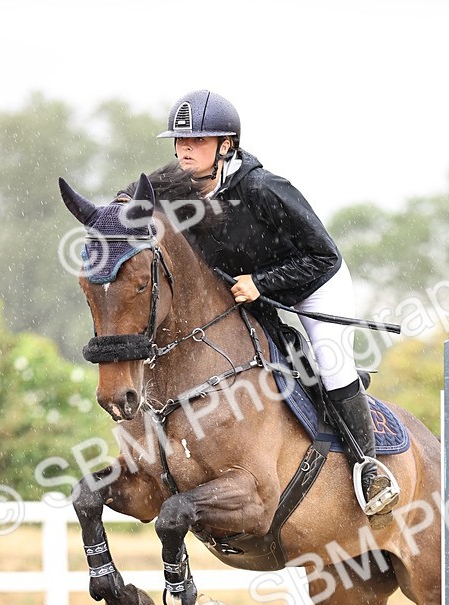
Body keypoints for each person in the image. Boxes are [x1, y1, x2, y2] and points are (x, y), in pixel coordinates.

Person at [154, 89, 400, 528]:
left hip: (313, 281)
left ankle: (368, 467)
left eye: (198, 141)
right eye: (181, 141)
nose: (185, 149)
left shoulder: (264, 188)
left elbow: (322, 255)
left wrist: (262, 282)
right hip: (246, 291)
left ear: (227, 145)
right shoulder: (179, 192)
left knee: (330, 361)